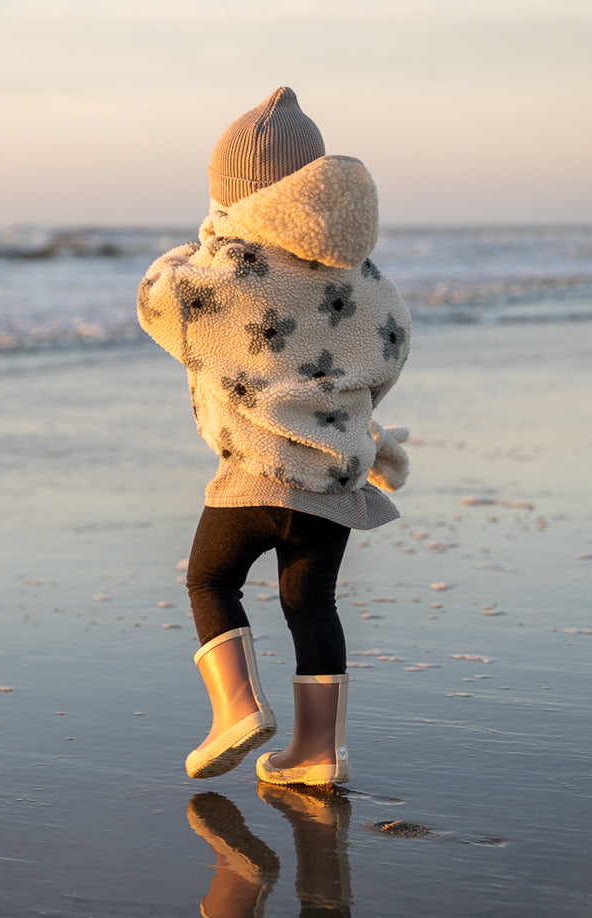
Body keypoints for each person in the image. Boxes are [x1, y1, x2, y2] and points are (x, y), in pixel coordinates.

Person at [137, 87, 411, 786]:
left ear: (231, 195)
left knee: (210, 578)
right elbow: (389, 344)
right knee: (310, 604)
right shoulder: (361, 273)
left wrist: (195, 243)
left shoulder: (229, 264)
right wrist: (355, 421)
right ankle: (317, 754)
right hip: (329, 483)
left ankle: (236, 709)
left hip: (253, 476)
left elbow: (160, 302)